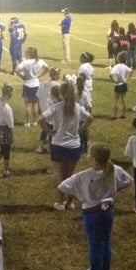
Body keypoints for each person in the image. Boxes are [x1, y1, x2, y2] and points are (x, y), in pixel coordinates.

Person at [58, 143, 133, 270]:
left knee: (94, 245)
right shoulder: (115, 169)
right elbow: (128, 180)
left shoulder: (84, 175)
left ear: (94, 159)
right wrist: (115, 191)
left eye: (89, 155)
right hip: (108, 211)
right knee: (105, 242)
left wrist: (80, 195)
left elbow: (63, 186)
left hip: (91, 214)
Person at [39, 82, 93, 210]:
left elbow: (40, 119)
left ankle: (61, 203)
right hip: (74, 146)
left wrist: (48, 131)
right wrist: (80, 130)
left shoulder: (56, 107)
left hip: (58, 145)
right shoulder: (78, 107)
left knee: (61, 176)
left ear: (61, 94)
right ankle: (70, 202)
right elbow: (91, 118)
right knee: (70, 175)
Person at [15, 47, 48, 127]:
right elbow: (47, 68)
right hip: (36, 84)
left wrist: (22, 77)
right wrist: (40, 75)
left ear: (29, 54)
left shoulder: (25, 62)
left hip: (27, 85)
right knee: (36, 104)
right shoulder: (40, 61)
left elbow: (16, 70)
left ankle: (27, 122)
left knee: (28, 105)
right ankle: (36, 121)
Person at [109, 51, 133, 120]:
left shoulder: (116, 66)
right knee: (123, 100)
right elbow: (131, 71)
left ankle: (114, 115)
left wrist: (114, 81)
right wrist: (127, 79)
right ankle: (124, 114)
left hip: (118, 85)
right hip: (124, 84)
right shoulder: (124, 66)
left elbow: (110, 75)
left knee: (116, 100)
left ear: (119, 58)